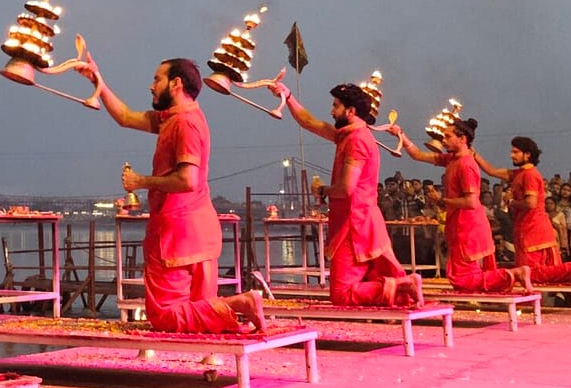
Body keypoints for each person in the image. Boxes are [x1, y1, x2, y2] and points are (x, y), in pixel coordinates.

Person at [75, 52, 267, 332]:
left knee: (164, 315)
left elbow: (187, 179)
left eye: (157, 79)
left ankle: (240, 303)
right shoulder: (174, 118)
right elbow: (126, 117)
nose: (151, 86)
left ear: (175, 84)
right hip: (197, 232)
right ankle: (223, 338)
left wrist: (142, 181)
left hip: (177, 232)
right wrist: (98, 82)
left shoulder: (185, 123)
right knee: (201, 316)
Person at [269, 77, 423, 306]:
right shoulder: (348, 134)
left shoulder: (357, 140)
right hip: (356, 220)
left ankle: (401, 284)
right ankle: (400, 286)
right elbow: (311, 122)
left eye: (335, 106)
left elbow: (347, 188)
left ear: (350, 111)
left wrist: (323, 190)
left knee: (341, 295)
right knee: (359, 284)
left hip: (356, 224)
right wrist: (287, 96)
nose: (331, 112)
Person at [391, 116, 531, 293]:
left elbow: (471, 202)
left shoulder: (466, 165)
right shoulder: (451, 159)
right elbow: (418, 155)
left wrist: (441, 200)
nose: (443, 140)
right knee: (460, 278)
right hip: (459, 225)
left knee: (462, 279)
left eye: (448, 136)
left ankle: (515, 274)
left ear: (463, 139)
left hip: (469, 227)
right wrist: (401, 135)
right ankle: (512, 275)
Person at [475, 137, 571, 284]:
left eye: (515, 152)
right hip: (525, 229)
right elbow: (491, 171)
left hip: (534, 231)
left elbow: (531, 203)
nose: (511, 155)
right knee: (528, 275)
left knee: (530, 274)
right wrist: (473, 154)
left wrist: (511, 201)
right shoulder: (518, 174)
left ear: (527, 155)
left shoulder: (530, 175)